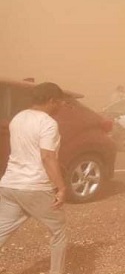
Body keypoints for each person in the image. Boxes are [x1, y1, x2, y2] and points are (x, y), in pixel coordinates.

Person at [0, 82, 69, 274]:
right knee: (59, 231)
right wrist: (61, 188)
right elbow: (47, 156)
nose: (60, 107)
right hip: (34, 187)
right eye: (60, 103)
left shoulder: (18, 117)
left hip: (9, 185)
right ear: (52, 100)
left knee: (2, 230)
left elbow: (27, 150)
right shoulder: (47, 123)